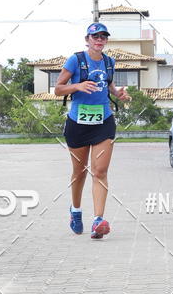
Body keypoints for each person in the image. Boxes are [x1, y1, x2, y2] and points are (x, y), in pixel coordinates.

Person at [55, 22, 130, 239]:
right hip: (78, 123)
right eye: (95, 36)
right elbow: (58, 89)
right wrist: (77, 86)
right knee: (79, 172)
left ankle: (98, 220)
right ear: (87, 39)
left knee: (100, 171)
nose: (99, 40)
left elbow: (107, 86)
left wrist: (119, 94)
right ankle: (75, 211)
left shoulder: (109, 62)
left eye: (103, 37)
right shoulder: (76, 60)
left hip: (103, 121)